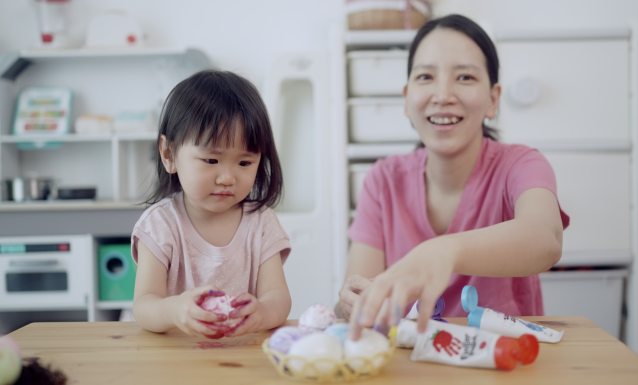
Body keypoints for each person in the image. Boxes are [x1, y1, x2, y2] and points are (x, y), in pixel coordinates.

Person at [338, 14, 570, 338]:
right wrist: (351, 304)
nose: (443, 94)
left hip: (506, 361)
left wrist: (441, 251)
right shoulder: (383, 180)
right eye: (425, 77)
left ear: (493, 99)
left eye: (464, 77)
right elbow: (360, 292)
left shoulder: (521, 164)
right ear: (406, 99)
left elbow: (546, 239)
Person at [131, 69, 292, 339]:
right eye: (211, 160)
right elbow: (144, 306)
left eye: (244, 163)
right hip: (176, 358)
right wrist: (174, 310)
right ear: (169, 154)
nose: (227, 177)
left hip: (242, 358)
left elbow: (279, 299)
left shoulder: (261, 223)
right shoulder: (160, 224)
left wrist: (262, 312)